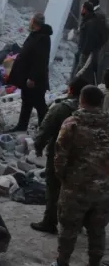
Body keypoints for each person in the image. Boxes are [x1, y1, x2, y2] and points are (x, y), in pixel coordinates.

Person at [53, 85, 109, 266]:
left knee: (68, 229)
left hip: (76, 187)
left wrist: (64, 179)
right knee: (98, 229)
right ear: (101, 102)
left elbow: (60, 156)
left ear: (81, 100)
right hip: (103, 188)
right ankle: (95, 262)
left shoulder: (72, 123)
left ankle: (62, 262)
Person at [31, 76, 88, 234]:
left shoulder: (61, 108)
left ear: (70, 90)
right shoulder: (94, 111)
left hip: (59, 154)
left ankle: (50, 221)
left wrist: (39, 146)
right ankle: (79, 222)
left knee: (54, 188)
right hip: (85, 157)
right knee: (80, 189)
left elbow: (45, 129)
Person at [6, 12, 52, 131]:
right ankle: (22, 125)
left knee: (39, 104)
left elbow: (41, 61)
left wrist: (32, 78)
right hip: (28, 75)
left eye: (31, 20)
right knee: (26, 100)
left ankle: (45, 129)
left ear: (34, 22)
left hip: (35, 78)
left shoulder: (43, 38)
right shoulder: (35, 34)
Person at [72, 1, 107, 84]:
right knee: (82, 72)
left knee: (83, 73)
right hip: (87, 51)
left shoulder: (90, 23)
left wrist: (85, 51)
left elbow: (90, 39)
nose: (81, 10)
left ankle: (77, 89)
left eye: (82, 8)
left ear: (85, 9)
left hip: (87, 53)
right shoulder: (88, 20)